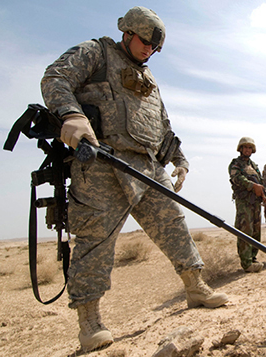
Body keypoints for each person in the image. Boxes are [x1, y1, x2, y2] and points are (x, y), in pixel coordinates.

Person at [40, 6, 228, 352]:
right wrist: (71, 114)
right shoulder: (95, 53)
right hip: (102, 164)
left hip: (148, 166)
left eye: (155, 48)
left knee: (174, 225)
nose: (149, 51)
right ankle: (90, 321)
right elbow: (54, 79)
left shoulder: (150, 79)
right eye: (145, 42)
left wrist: (180, 160)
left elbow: (163, 127)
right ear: (128, 33)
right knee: (95, 242)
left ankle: (195, 287)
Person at [228, 137, 266, 273]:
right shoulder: (236, 164)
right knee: (245, 230)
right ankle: (246, 263)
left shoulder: (254, 166)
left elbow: (260, 181)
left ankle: (253, 258)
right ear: (240, 149)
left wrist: (265, 193)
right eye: (245, 147)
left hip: (255, 202)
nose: (247, 150)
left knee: (255, 230)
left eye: (249, 148)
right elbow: (237, 178)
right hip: (244, 202)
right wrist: (252, 186)